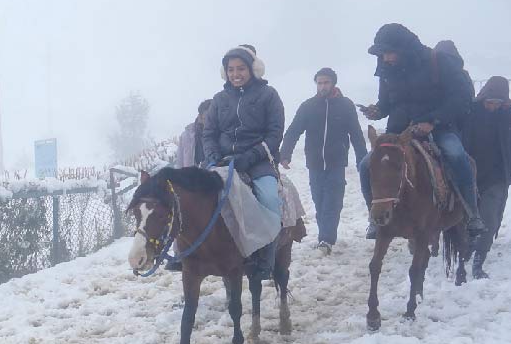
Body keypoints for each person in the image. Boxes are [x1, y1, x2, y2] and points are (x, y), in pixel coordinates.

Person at [357, 23, 483, 240]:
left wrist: (433, 120)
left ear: (403, 49)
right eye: (382, 53)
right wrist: (377, 110)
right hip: (398, 132)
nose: (385, 58)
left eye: (389, 52)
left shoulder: (437, 62)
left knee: (456, 155)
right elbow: (387, 102)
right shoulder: (387, 69)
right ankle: (375, 217)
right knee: (366, 165)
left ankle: (471, 213)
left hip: (439, 127)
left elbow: (460, 98)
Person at [203, 45, 284, 279]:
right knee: (192, 197)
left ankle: (266, 258)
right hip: (221, 161)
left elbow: (274, 134)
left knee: (269, 198)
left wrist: (250, 156)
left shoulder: (269, 95)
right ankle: (189, 255)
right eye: (230, 69)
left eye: (240, 68)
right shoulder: (219, 99)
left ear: (253, 69)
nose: (235, 74)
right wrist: (212, 156)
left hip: (258, 161)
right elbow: (209, 134)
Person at [280, 67, 367, 255]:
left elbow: (356, 134)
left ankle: (326, 239)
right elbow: (294, 130)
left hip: (337, 163)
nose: (322, 86)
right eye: (319, 83)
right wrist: (285, 153)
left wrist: (362, 158)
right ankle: (324, 236)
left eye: (326, 82)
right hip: (315, 164)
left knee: (333, 202)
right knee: (319, 202)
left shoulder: (345, 105)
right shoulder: (308, 106)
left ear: (333, 83)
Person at [463, 76, 511, 278]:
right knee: (466, 219)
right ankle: (465, 253)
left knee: (489, 221)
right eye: (489, 102)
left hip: (497, 178)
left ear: (504, 101)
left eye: (497, 103)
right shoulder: (469, 112)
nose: (492, 107)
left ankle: (479, 263)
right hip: (468, 175)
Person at [177, 99, 212, 168]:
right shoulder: (186, 136)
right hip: (190, 177)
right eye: (207, 118)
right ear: (200, 117)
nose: (211, 121)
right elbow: (180, 163)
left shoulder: (222, 134)